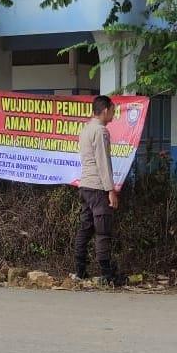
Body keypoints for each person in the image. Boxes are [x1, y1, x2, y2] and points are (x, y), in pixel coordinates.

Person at [73, 95, 122, 285]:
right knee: (102, 231)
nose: (114, 114)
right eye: (112, 110)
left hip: (85, 186)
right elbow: (103, 163)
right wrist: (110, 190)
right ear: (104, 110)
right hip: (97, 188)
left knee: (85, 228)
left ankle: (80, 270)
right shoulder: (101, 132)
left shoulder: (86, 129)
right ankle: (107, 274)